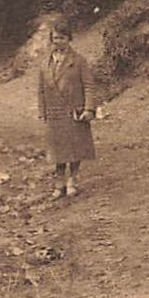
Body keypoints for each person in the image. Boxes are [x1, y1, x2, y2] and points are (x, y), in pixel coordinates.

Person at [37, 23, 98, 199]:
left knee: (75, 146)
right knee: (57, 149)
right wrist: (43, 110)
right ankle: (59, 182)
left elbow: (88, 86)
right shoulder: (45, 62)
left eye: (62, 38)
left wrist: (88, 108)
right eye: (55, 38)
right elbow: (41, 89)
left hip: (74, 110)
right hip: (54, 112)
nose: (58, 42)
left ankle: (72, 179)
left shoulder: (78, 61)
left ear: (69, 39)